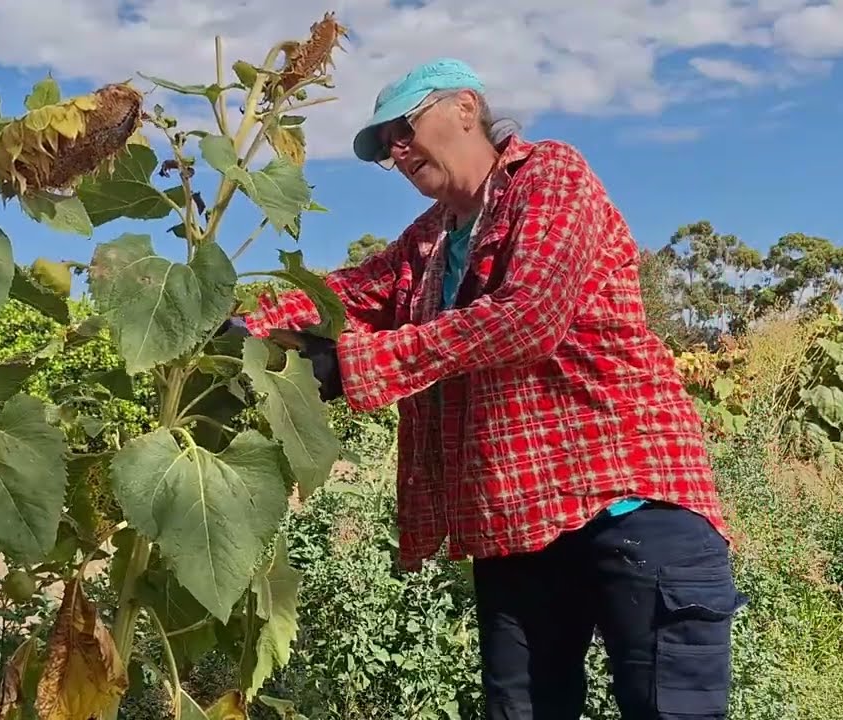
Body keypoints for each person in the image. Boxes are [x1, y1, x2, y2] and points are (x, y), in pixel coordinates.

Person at [222, 58, 748, 720]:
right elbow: (344, 297)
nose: (398, 150)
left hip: (632, 506)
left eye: (404, 129)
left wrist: (353, 367)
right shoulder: (431, 242)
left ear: (465, 108)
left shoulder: (550, 177)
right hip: (519, 522)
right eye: (386, 148)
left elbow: (529, 315)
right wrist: (241, 330)